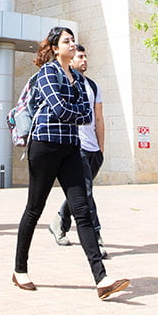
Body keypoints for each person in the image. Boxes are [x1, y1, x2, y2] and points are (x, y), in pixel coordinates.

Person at [12, 26, 129, 300]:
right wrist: (74, 110)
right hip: (44, 147)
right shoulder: (46, 73)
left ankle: (102, 279)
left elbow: (87, 113)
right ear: (55, 48)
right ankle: (19, 270)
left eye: (73, 40)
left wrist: (74, 110)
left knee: (83, 211)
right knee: (34, 209)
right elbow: (60, 109)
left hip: (71, 149)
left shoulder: (77, 77)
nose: (73, 44)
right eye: (67, 41)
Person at [49, 44, 106, 256]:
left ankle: (59, 221)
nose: (84, 60)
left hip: (93, 149)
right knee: (87, 192)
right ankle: (96, 237)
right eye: (80, 56)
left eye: (85, 56)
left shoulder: (93, 86)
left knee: (80, 192)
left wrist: (101, 148)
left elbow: (98, 118)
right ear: (71, 60)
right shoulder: (65, 82)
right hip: (76, 146)